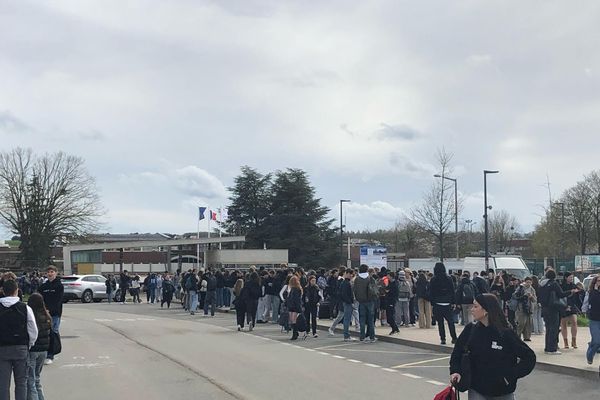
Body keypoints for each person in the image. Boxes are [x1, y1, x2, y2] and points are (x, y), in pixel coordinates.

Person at [449, 294, 536, 400]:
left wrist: (510, 376)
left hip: (502, 391)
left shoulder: (505, 333)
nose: (472, 309)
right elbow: (457, 353)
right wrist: (455, 371)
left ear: (486, 311)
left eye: (475, 306)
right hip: (477, 389)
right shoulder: (470, 330)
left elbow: (529, 357)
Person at [0, 279, 38, 400]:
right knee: (21, 383)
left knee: (3, 384)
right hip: (21, 348)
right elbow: (33, 330)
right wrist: (29, 344)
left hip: (2, 349)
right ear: (17, 290)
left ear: (2, 291)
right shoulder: (25, 308)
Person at [539, 269, 578, 355]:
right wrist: (570, 292)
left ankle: (547, 347)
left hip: (545, 308)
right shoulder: (554, 283)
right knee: (554, 329)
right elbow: (561, 294)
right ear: (554, 276)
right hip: (553, 309)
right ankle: (552, 349)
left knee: (548, 329)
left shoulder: (542, 284)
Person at [27, 293, 51, 400]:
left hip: (33, 349)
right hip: (43, 350)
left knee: (30, 380)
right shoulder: (46, 316)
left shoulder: (31, 316)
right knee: (36, 379)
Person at [38, 265, 63, 364]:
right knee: (45, 333)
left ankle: (50, 355)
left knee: (53, 333)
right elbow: (39, 298)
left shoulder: (59, 286)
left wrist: (50, 310)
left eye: (52, 272)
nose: (50, 274)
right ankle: (44, 352)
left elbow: (58, 300)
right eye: (48, 272)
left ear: (56, 273)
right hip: (44, 313)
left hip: (55, 314)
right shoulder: (43, 286)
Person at [429, 262, 457, 345]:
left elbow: (431, 292)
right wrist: (453, 302)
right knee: (450, 322)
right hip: (447, 302)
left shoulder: (433, 279)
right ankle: (454, 338)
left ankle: (443, 339)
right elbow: (452, 290)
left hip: (438, 303)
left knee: (440, 323)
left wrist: (432, 303)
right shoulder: (448, 278)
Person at [353, 264, 378, 343]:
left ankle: (362, 336)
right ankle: (372, 337)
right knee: (370, 320)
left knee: (362, 320)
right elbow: (375, 290)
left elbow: (355, 290)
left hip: (361, 301)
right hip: (370, 301)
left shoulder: (357, 279)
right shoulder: (370, 279)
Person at [582, 276, 600, 365]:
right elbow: (592, 301)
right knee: (597, 341)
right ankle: (590, 355)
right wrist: (596, 290)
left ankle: (591, 345)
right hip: (594, 320)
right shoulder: (591, 292)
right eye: (598, 281)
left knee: (596, 341)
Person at [559, 272, 580, 349]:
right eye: (570, 277)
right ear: (565, 277)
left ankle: (574, 340)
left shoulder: (574, 286)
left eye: (572, 277)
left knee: (574, 321)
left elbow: (577, 298)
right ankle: (565, 341)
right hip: (563, 306)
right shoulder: (561, 286)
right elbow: (560, 295)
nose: (571, 279)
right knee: (563, 324)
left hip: (572, 306)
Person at [514, 277, 536, 342]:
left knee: (528, 323)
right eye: (527, 282)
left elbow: (535, 300)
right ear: (525, 282)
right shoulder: (520, 288)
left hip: (529, 308)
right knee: (521, 323)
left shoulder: (532, 289)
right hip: (521, 308)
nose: (528, 284)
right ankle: (518, 336)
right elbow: (516, 296)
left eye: (530, 282)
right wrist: (524, 296)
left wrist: (531, 296)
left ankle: (527, 337)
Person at [287, 276, 303, 341]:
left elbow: (295, 299)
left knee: (293, 320)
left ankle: (295, 334)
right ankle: (295, 333)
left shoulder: (294, 289)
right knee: (293, 320)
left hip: (293, 306)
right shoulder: (297, 289)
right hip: (294, 306)